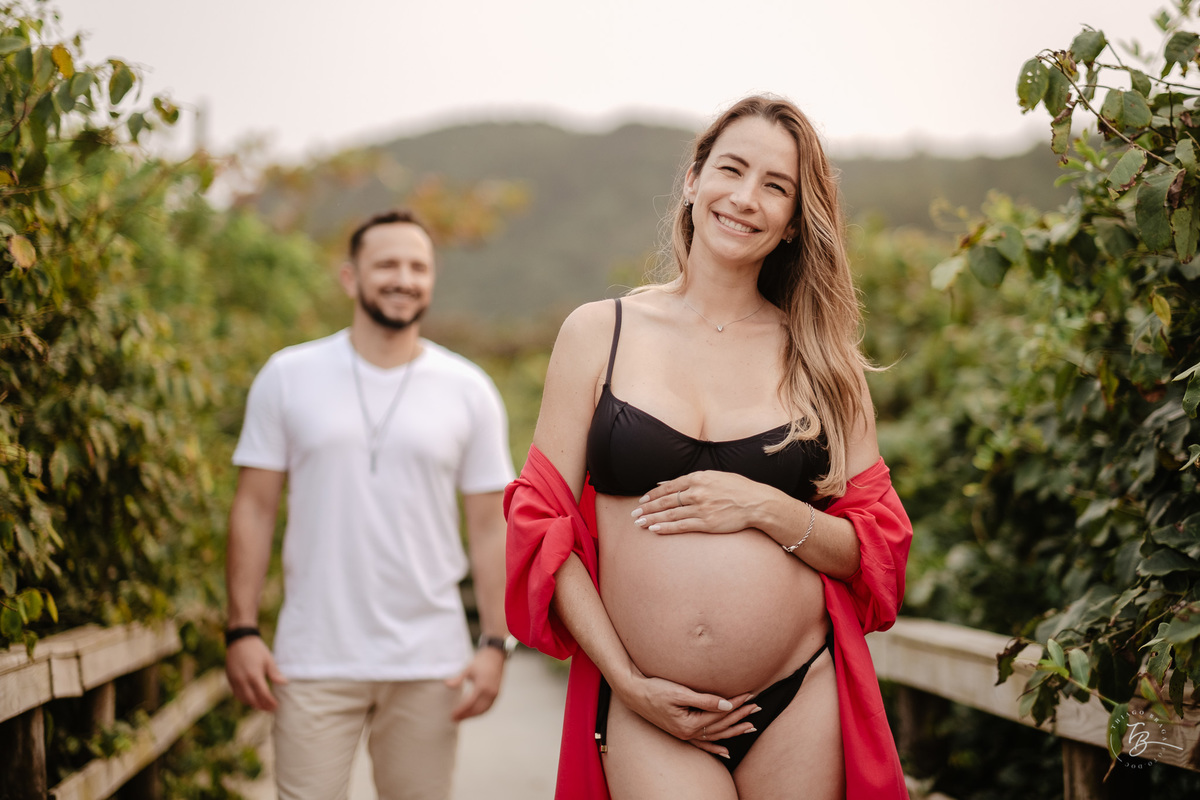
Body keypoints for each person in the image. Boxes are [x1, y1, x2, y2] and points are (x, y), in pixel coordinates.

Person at [505, 96, 913, 799]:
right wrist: (626, 682)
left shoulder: (824, 362)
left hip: (798, 693)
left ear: (794, 221)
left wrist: (767, 508)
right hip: (648, 701)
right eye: (732, 169)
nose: (746, 198)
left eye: (776, 186)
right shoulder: (599, 333)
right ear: (694, 180)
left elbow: (876, 549)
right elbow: (542, 527)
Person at [224, 209, 516, 800]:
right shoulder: (288, 375)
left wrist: (495, 643)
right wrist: (241, 629)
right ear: (350, 277)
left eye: (418, 267)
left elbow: (490, 528)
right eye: (386, 265)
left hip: (430, 662)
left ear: (431, 279)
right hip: (314, 656)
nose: (403, 279)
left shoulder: (469, 389)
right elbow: (253, 509)